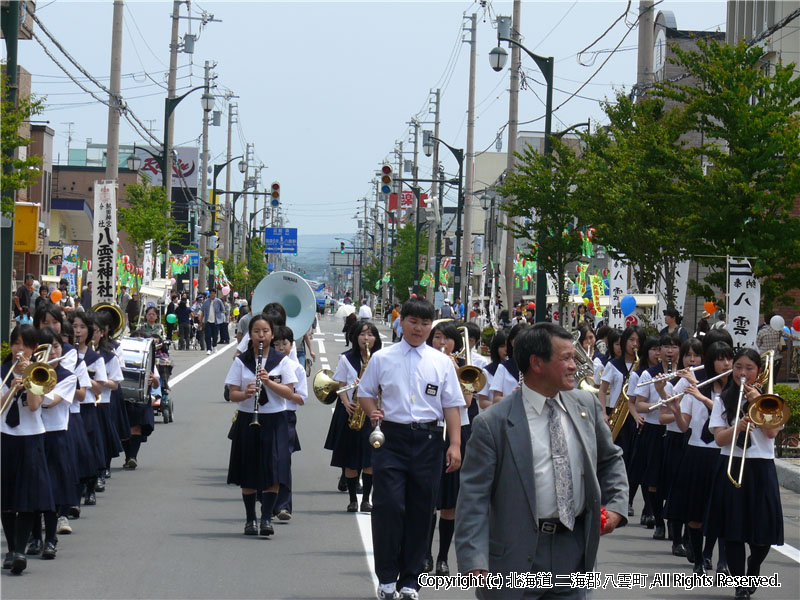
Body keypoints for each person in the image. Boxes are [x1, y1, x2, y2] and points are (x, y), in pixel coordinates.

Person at [454, 323, 629, 600]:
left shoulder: (586, 405)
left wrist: (617, 507)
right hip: (514, 557)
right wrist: (474, 560)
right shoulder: (493, 423)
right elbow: (473, 497)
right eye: (567, 358)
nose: (575, 366)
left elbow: (610, 459)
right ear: (536, 363)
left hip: (573, 552)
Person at [357, 298, 465, 600]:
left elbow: (452, 407)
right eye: (413, 322)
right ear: (401, 322)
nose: (419, 328)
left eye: (425, 323)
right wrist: (372, 411)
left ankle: (410, 581)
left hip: (430, 441)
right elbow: (365, 393)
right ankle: (387, 578)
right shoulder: (382, 358)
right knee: (388, 506)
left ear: (431, 326)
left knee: (422, 510)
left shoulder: (441, 362)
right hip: (391, 438)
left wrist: (454, 445)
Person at [707, 348, 784, 600]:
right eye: (738, 366)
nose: (742, 372)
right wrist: (737, 427)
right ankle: (740, 584)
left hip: (761, 467)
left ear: (758, 372)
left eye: (749, 368)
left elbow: (772, 434)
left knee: (763, 534)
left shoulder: (771, 399)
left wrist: (756, 403)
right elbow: (718, 439)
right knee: (733, 530)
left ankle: (754, 566)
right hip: (732, 463)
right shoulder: (722, 400)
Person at [663, 341, 733, 576]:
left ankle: (721, 559)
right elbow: (684, 427)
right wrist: (674, 408)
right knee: (695, 511)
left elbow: (727, 416)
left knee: (721, 509)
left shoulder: (734, 393)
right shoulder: (698, 388)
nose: (726, 364)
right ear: (711, 364)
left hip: (721, 453)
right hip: (696, 452)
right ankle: (699, 557)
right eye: (720, 359)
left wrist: (703, 398)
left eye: (728, 359)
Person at [225, 314, 298, 537]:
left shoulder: (281, 361)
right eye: (256, 331)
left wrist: (268, 382)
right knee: (248, 470)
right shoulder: (242, 361)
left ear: (272, 334)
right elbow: (231, 393)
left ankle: (266, 517)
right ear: (251, 334)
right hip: (248, 418)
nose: (261, 335)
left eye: (265, 331)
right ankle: (250, 519)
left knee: (273, 470)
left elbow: (290, 392)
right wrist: (244, 394)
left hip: (275, 419)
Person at [1, 325, 52, 575]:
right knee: (6, 498)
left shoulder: (41, 371)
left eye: (25, 345)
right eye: (16, 343)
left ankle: (20, 549)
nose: (19, 349)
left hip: (32, 437)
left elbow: (34, 406)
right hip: (6, 437)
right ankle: (11, 549)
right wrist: (12, 384)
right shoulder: (3, 371)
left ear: (34, 349)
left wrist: (29, 380)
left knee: (29, 497)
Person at [632, 332, 681, 541]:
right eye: (665, 347)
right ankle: (658, 521)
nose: (669, 351)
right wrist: (659, 404)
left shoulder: (685, 375)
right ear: (658, 351)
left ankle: (673, 523)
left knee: (674, 478)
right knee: (653, 479)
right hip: (653, 429)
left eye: (674, 346)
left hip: (676, 430)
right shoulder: (649, 374)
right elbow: (638, 403)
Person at [330, 320, 380, 513]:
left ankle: (366, 499)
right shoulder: (346, 359)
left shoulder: (381, 358)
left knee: (370, 458)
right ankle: (352, 499)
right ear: (355, 337)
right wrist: (346, 401)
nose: (366, 338)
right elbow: (340, 385)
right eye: (362, 334)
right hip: (351, 410)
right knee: (350, 458)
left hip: (373, 412)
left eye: (370, 335)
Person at [271, 325, 307, 521]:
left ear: (292, 345)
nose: (280, 347)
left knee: (283, 460)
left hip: (287, 417)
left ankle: (284, 505)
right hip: (269, 416)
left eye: (284, 343)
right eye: (276, 344)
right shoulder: (266, 365)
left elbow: (302, 398)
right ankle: (267, 500)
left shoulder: (297, 368)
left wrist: (287, 393)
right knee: (267, 459)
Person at [476, 331, 506, 410]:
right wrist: (504, 406)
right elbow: (482, 402)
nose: (506, 350)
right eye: (502, 346)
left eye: (508, 346)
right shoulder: (487, 372)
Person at [202, 289, 226, 354]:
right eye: (211, 293)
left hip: (216, 321)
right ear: (209, 294)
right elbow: (202, 311)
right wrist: (201, 321)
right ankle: (209, 349)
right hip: (208, 321)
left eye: (213, 293)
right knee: (208, 335)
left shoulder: (218, 301)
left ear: (215, 294)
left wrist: (220, 317)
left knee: (215, 335)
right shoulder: (206, 302)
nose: (212, 295)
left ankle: (214, 346)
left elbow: (223, 310)